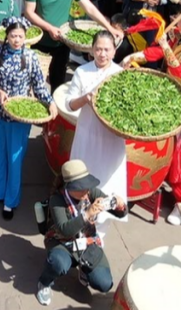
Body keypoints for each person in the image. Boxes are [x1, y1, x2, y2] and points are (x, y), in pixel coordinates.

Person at [122, 3, 181, 225]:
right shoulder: (179, 36)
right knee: (154, 146)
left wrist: (166, 45)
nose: (177, 24)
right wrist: (137, 54)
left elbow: (180, 70)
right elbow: (158, 52)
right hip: (165, 95)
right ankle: (148, 182)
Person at [0, 16, 52, 219]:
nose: (17, 40)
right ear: (7, 36)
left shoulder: (30, 58)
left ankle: (10, 201)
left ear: (25, 37)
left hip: (20, 118)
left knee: (15, 158)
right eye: (13, 36)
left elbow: (39, 85)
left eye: (20, 36)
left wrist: (50, 102)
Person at [35, 160, 129, 306]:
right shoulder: (57, 200)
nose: (86, 191)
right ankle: (44, 282)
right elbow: (65, 229)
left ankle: (85, 269)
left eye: (87, 185)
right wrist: (87, 214)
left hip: (87, 241)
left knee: (104, 284)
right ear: (68, 187)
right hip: (62, 242)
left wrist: (120, 206)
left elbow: (117, 212)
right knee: (58, 263)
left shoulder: (90, 192)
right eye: (80, 188)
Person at [26, 0, 121, 88]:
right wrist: (49, 28)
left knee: (58, 81)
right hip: (40, 41)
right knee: (34, 82)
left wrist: (110, 28)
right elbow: (29, 12)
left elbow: (89, 8)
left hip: (62, 43)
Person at [62, 31, 126, 225]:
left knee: (107, 180)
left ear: (114, 51)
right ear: (91, 50)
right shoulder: (82, 72)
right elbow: (69, 104)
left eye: (107, 49)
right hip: (87, 135)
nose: (102, 54)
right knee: (83, 178)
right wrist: (86, 98)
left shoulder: (120, 74)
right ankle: (79, 222)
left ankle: (102, 226)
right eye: (98, 49)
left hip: (111, 139)